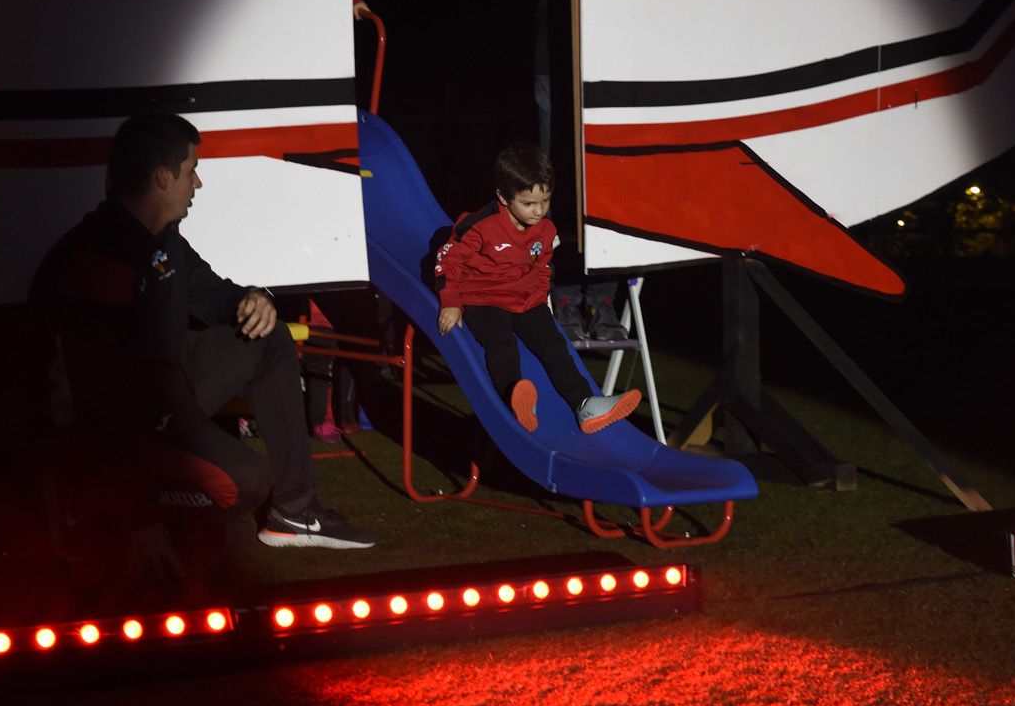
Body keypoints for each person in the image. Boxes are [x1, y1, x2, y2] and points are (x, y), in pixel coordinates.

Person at [31, 112, 374, 550]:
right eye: (191, 171)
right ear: (161, 178)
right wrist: (141, 517)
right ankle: (102, 508)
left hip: (161, 395)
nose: (198, 185)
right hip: (112, 424)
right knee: (246, 483)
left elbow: (212, 293)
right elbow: (99, 400)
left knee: (268, 336)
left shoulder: (161, 239)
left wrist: (253, 298)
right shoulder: (101, 261)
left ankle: (295, 514)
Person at [434, 142, 641, 433]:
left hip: (525, 300)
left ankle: (585, 405)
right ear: (503, 197)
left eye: (544, 201)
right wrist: (451, 301)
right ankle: (515, 399)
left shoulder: (546, 231)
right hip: (482, 298)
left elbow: (541, 267)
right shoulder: (480, 226)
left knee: (555, 346)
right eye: (528, 204)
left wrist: (541, 298)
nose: (538, 211)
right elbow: (447, 261)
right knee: (502, 346)